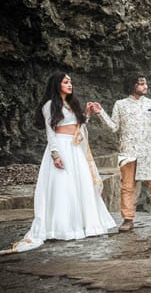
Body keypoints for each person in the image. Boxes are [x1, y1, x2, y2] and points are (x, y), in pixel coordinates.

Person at [3, 73, 117, 254]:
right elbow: (50, 132)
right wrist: (55, 155)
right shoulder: (49, 106)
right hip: (61, 147)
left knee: (81, 185)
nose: (70, 84)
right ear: (57, 85)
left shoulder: (72, 104)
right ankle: (62, 228)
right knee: (64, 186)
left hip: (75, 148)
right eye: (66, 82)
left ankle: (85, 225)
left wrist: (87, 114)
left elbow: (79, 125)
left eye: (70, 81)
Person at [93, 75, 151, 230]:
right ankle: (128, 219)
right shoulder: (120, 105)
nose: (145, 87)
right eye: (141, 84)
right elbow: (113, 127)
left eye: (146, 83)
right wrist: (100, 112)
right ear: (133, 85)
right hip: (128, 152)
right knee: (127, 186)